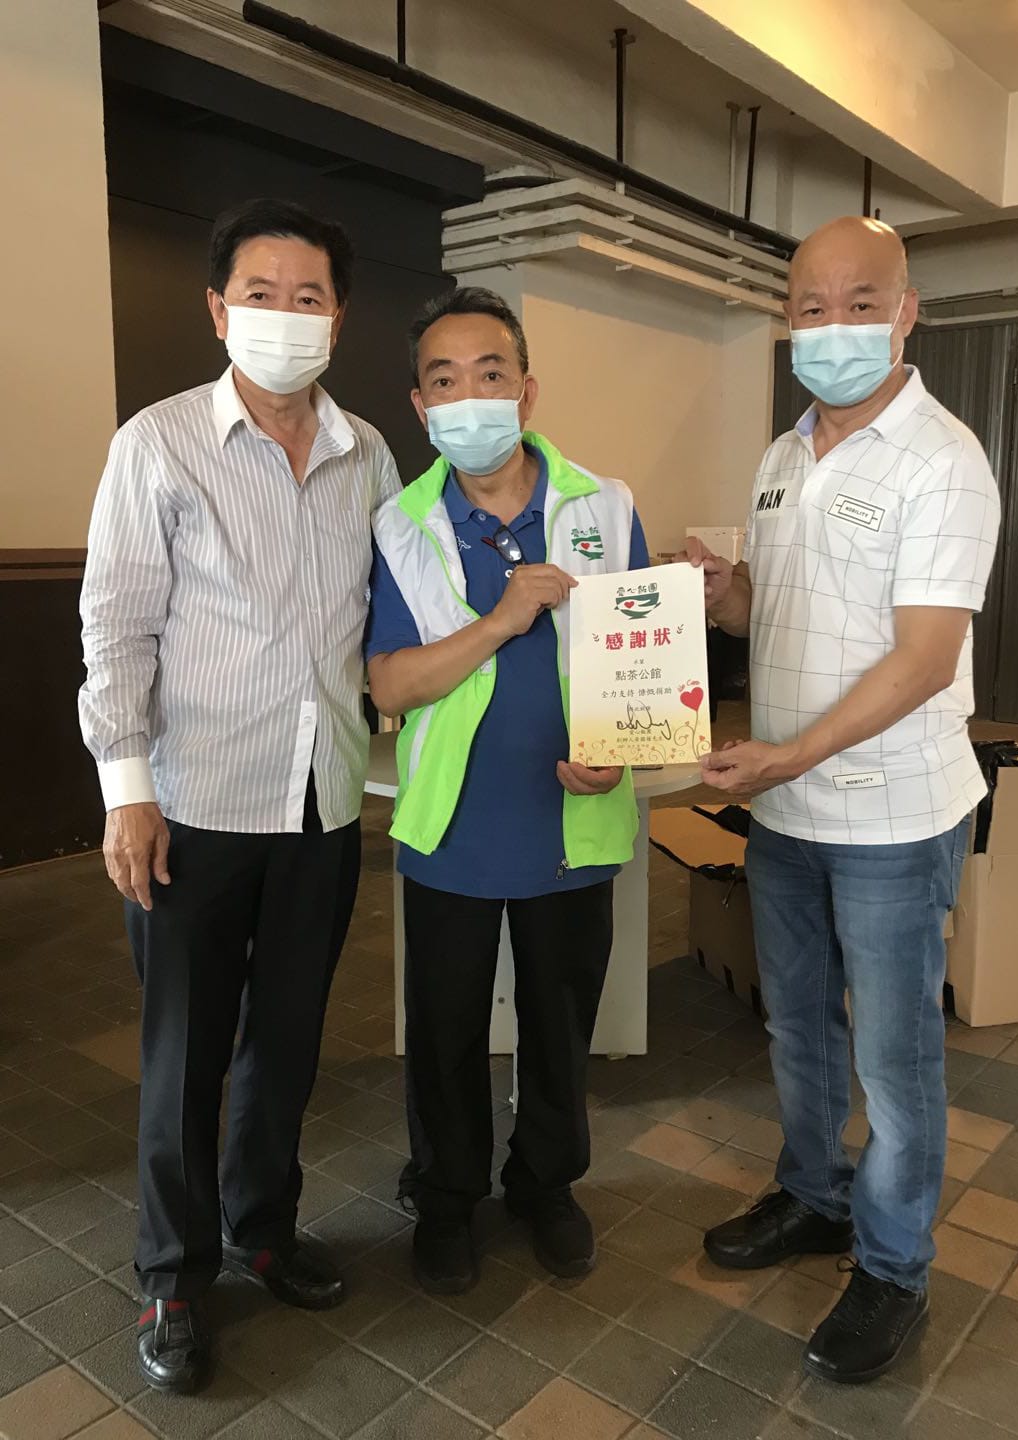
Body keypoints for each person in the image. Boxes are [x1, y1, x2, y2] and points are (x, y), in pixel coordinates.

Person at [79, 198, 401, 1394]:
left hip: (322, 799)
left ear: (338, 318)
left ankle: (262, 1224)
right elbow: (115, 625)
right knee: (185, 1051)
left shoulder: (370, 454)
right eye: (260, 294)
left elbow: (400, 609)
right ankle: (173, 1273)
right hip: (194, 803)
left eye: (308, 296)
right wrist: (127, 790)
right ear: (219, 311)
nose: (284, 315)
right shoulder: (158, 444)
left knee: (291, 1035)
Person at [690, 217, 1000, 1385]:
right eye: (810, 307)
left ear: (906, 313)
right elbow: (778, 606)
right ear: (788, 319)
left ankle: (893, 1267)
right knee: (798, 1024)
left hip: (892, 817)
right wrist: (724, 598)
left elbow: (923, 659)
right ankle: (813, 1196)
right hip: (788, 814)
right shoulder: (783, 455)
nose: (833, 328)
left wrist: (790, 754)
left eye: (860, 304)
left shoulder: (943, 459)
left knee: (895, 1057)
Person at [364, 287, 650, 1293]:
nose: (469, 397)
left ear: (526, 392)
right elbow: (390, 684)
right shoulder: (400, 524)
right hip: (453, 825)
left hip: (571, 818)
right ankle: (447, 1195)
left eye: (490, 374)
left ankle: (545, 1185)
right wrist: (499, 621)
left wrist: (618, 753)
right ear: (420, 406)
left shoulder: (603, 507)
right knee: (443, 1028)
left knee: (560, 1023)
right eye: (444, 381)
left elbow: (640, 662)